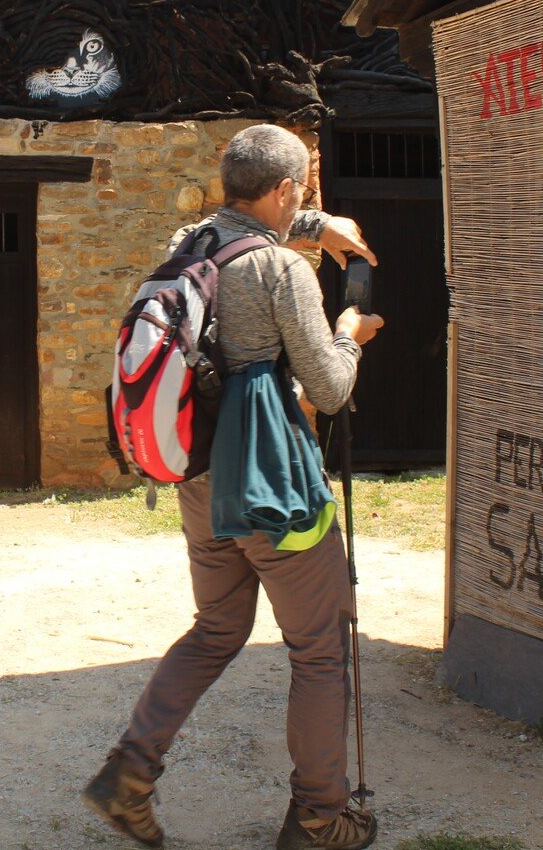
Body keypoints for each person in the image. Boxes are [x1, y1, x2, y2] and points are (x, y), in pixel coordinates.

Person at [84, 124, 385, 850]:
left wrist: (317, 225)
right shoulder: (282, 273)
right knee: (320, 647)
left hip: (200, 479)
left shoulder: (186, 245)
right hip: (274, 486)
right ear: (283, 189)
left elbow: (241, 228)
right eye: (300, 194)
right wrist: (349, 334)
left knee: (217, 629)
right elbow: (329, 389)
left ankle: (129, 772)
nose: (301, 203)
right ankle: (319, 817)